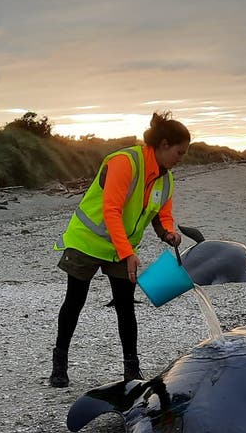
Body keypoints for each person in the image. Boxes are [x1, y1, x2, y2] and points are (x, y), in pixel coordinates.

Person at [48, 111, 190, 388]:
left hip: (120, 248)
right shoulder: (125, 162)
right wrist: (128, 253)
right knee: (75, 301)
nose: (180, 159)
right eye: (179, 152)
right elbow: (111, 210)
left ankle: (132, 371)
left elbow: (162, 214)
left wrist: (168, 233)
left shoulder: (166, 179)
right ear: (163, 144)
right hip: (87, 242)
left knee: (126, 307)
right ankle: (59, 364)